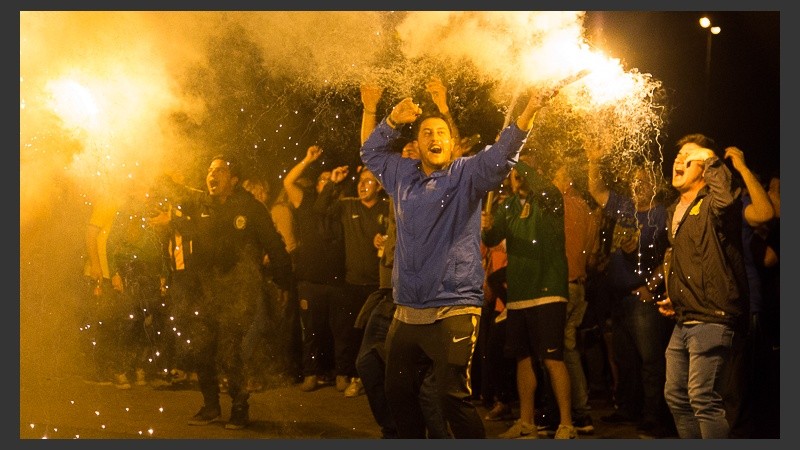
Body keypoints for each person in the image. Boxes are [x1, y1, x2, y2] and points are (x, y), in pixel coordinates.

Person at [359, 86, 552, 438]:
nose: (435, 138)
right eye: (426, 133)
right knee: (398, 395)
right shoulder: (403, 175)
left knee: (451, 398)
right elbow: (370, 151)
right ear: (416, 145)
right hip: (408, 311)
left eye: (442, 133)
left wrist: (529, 111)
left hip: (453, 310)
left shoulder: (467, 174)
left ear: (452, 143)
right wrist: (389, 119)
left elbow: (504, 153)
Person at [156, 154, 294, 430]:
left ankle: (240, 408)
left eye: (219, 170)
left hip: (239, 290)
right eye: (209, 170)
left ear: (233, 179)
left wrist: (284, 282)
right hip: (205, 289)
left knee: (230, 350)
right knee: (202, 347)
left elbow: (275, 245)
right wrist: (162, 174)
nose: (211, 175)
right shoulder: (202, 205)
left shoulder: (250, 208)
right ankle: (210, 407)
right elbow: (182, 202)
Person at [353, 81, 449, 438]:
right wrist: (371, 109)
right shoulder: (396, 185)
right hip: (388, 291)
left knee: (426, 387)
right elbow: (371, 151)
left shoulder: (440, 182)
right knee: (368, 364)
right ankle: (396, 432)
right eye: (405, 150)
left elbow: (449, 152)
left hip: (421, 295)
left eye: (417, 148)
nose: (408, 155)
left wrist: (442, 104)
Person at [655, 133, 749, 439]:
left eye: (688, 156)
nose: (679, 159)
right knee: (676, 397)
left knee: (702, 399)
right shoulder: (673, 211)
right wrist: (676, 294)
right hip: (685, 318)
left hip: (712, 316)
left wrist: (709, 159)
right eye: (678, 155)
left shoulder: (713, 202)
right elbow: (688, 258)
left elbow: (726, 198)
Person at [480, 153, 576, 440]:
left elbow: (535, 181)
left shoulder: (549, 198)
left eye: (524, 170)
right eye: (513, 172)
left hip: (547, 291)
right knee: (522, 358)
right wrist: (486, 227)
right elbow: (492, 239)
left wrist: (509, 155)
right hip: (519, 293)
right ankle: (526, 422)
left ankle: (567, 424)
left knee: (552, 358)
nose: (518, 176)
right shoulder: (508, 205)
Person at [585, 145, 675, 439]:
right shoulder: (625, 207)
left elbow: (671, 255)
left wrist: (651, 286)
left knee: (650, 360)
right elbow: (597, 191)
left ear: (655, 185)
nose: (638, 185)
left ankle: (653, 416)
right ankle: (628, 408)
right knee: (625, 359)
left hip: (643, 298)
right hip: (619, 298)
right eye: (635, 181)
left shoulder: (662, 215)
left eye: (644, 181)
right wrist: (594, 159)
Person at [316, 164, 390, 395]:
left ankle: (376, 379)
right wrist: (333, 183)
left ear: (379, 186)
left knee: (378, 335)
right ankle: (352, 376)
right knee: (351, 333)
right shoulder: (349, 206)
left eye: (369, 181)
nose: (362, 185)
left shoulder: (388, 208)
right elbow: (319, 209)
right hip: (353, 282)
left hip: (379, 284)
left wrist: (386, 240)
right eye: (360, 181)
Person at [718, 146, 775, 438]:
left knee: (737, 398)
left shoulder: (742, 206)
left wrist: (742, 166)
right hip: (718, 311)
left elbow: (765, 214)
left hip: (744, 310)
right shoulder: (712, 208)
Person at [283, 145, 347, 392]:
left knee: (340, 332)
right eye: (323, 179)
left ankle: (340, 372)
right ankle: (311, 373)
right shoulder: (306, 202)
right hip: (309, 279)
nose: (327, 181)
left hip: (337, 279)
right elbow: (289, 181)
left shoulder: (340, 205)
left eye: (330, 179)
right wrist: (307, 160)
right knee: (310, 331)